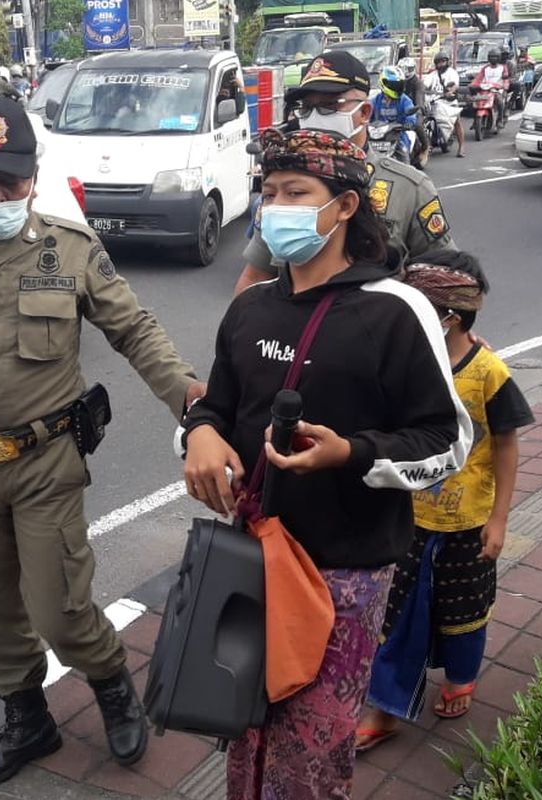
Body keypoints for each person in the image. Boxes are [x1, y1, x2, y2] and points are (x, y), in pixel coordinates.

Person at [0, 96, 204, 789]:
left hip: (46, 464)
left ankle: (113, 685)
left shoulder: (72, 250)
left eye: (10, 181)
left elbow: (135, 330)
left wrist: (189, 397)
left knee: (59, 608)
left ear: (33, 175)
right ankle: (28, 719)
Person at [182, 127, 472, 799]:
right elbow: (219, 405)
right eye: (269, 192)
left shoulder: (395, 312)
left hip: (343, 573)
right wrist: (199, 432)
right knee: (244, 727)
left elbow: (448, 440)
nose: (275, 206)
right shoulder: (250, 308)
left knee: (313, 751)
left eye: (296, 192)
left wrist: (353, 455)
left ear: (344, 207)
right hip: (250, 558)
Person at [355, 250, 534, 750]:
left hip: (468, 522)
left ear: (449, 317)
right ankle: (386, 707)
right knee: (399, 611)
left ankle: (461, 678)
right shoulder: (406, 364)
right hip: (407, 518)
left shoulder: (489, 372)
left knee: (465, 611)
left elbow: (506, 443)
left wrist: (499, 520)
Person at [233, 51, 457, 297]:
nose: (315, 117)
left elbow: (445, 282)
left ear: (364, 113)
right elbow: (255, 277)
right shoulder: (284, 187)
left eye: (330, 106)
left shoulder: (410, 188)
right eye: (307, 108)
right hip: (296, 327)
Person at [424, 52, 466, 157]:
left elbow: (454, 86)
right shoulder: (432, 75)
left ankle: (461, 147)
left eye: (443, 61)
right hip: (435, 101)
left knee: (457, 122)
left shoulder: (452, 73)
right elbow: (424, 85)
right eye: (439, 62)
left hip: (449, 103)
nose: (441, 64)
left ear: (447, 62)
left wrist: (450, 92)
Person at [473, 50, 510, 129]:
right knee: (474, 101)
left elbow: (505, 79)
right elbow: (478, 78)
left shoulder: (503, 68)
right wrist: (474, 85)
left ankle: (500, 120)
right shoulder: (485, 68)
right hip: (485, 89)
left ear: (499, 58)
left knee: (500, 102)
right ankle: (475, 120)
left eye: (495, 57)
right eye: (491, 57)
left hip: (497, 90)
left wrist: (505, 86)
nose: (493, 59)